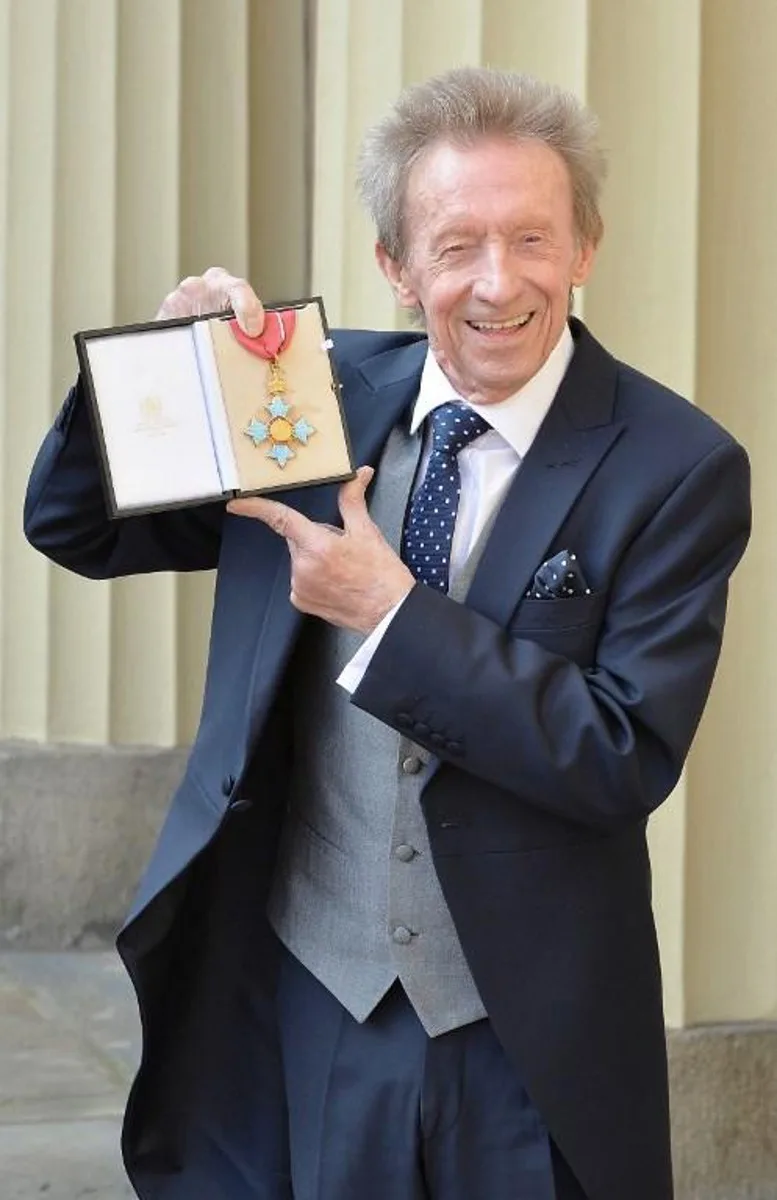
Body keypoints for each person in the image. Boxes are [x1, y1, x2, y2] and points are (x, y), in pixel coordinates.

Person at [24, 67, 750, 1200]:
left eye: (532, 239)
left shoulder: (676, 465)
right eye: (456, 244)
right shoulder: (305, 399)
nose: (497, 282)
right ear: (396, 267)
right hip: (312, 996)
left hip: (524, 1034)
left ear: (586, 249)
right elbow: (74, 527)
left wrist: (392, 614)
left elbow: (621, 754)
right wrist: (166, 374)